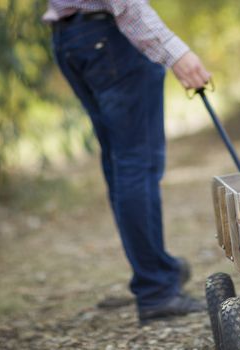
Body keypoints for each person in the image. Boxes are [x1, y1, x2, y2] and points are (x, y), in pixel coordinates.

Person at [43, 1, 211, 323]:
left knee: (121, 164)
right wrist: (176, 52)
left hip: (69, 37)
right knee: (136, 164)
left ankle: (158, 271)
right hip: (110, 37)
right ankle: (156, 289)